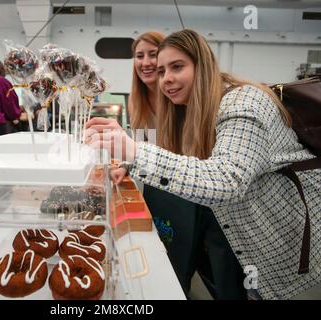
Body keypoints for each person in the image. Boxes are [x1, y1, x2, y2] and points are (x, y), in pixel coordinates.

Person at [86, 29, 321, 300]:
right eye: (162, 71)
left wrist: (136, 153)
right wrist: (131, 160)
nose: (166, 79)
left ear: (203, 66)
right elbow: (187, 162)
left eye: (177, 67)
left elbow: (227, 180)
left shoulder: (244, 103)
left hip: (285, 255)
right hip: (247, 244)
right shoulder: (188, 110)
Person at [113, 31, 219, 298]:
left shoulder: (181, 97)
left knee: (200, 262)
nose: (146, 62)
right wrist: (127, 162)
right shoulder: (138, 100)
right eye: (139, 56)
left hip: (194, 186)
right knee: (168, 256)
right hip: (163, 186)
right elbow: (143, 147)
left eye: (153, 55)